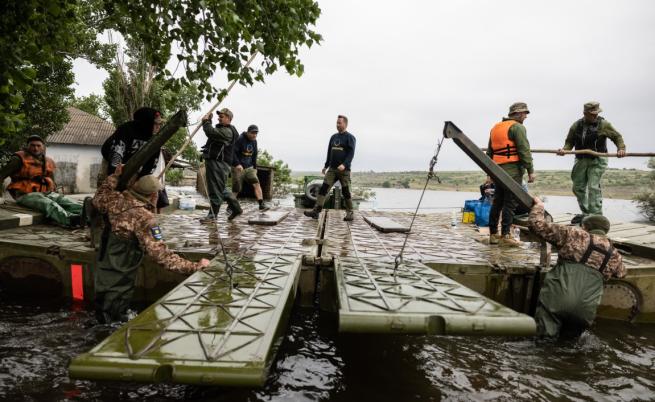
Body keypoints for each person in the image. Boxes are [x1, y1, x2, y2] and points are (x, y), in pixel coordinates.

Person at [92, 164, 210, 322]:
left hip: (105, 268)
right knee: (115, 314)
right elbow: (161, 256)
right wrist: (195, 267)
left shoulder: (115, 199)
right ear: (153, 195)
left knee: (103, 307)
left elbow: (98, 197)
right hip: (120, 276)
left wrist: (115, 176)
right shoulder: (145, 218)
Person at [529, 196, 626, 339]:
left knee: (543, 342)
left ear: (584, 227)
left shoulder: (574, 234)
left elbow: (537, 225)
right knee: (570, 346)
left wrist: (539, 206)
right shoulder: (614, 254)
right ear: (606, 231)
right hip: (585, 309)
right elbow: (621, 274)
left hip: (558, 298)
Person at [557, 102, 626, 224]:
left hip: (598, 159)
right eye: (593, 114)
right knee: (577, 187)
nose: (595, 116)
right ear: (585, 114)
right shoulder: (576, 125)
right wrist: (564, 150)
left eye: (597, 113)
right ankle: (587, 213)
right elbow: (569, 142)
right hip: (581, 159)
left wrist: (621, 149)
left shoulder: (604, 124)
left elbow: (617, 137)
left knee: (593, 187)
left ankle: (596, 216)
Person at [0, 135, 83, 227]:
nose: (35, 148)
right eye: (32, 145)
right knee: (48, 204)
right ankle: (70, 220)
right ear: (27, 146)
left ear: (43, 147)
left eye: (38, 145)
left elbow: (52, 180)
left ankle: (88, 215)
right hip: (24, 194)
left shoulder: (48, 161)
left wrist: (53, 190)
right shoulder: (18, 159)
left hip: (45, 192)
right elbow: (1, 175)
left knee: (67, 201)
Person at [486, 102, 535, 247]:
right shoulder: (518, 127)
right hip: (512, 171)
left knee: (497, 201)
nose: (526, 116)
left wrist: (489, 173)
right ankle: (506, 235)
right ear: (518, 114)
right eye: (525, 113)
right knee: (510, 202)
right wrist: (530, 170)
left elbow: (490, 152)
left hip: (496, 170)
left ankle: (493, 234)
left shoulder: (495, 127)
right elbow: (524, 150)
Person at [100, 107, 168, 211]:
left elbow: (151, 163)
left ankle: (132, 212)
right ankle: (102, 213)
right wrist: (115, 178)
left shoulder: (155, 138)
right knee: (109, 192)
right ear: (146, 123)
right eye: (155, 124)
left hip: (134, 167)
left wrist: (139, 179)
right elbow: (115, 158)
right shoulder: (126, 130)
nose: (158, 127)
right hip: (112, 162)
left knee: (137, 191)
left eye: (160, 124)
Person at [304, 115, 356, 221]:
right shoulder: (333, 137)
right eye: (337, 123)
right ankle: (316, 211)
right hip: (332, 169)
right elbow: (329, 152)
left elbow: (351, 153)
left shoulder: (350, 137)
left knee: (345, 191)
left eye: (339, 123)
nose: (337, 125)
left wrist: (345, 164)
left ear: (345, 124)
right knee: (323, 189)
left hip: (344, 170)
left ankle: (350, 213)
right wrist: (325, 166)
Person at [201, 108, 243, 221]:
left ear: (229, 119)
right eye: (219, 116)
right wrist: (208, 121)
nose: (219, 118)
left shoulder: (227, 132)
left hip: (218, 164)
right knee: (221, 189)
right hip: (217, 163)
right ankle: (236, 208)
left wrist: (206, 122)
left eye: (222, 116)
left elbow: (211, 132)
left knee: (215, 189)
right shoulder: (225, 129)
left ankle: (212, 216)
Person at [232, 124, 268, 211]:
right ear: (248, 132)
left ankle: (261, 204)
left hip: (249, 167)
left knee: (256, 183)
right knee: (237, 188)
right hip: (238, 167)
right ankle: (231, 205)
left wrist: (255, 167)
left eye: (256, 133)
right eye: (252, 133)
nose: (254, 135)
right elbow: (233, 153)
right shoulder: (240, 139)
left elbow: (255, 155)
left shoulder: (254, 141)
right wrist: (237, 164)